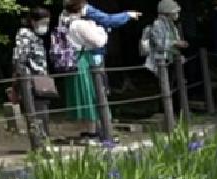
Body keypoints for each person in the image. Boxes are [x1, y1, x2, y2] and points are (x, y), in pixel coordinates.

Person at [56, 0, 142, 126]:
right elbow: (106, 24)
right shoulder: (80, 21)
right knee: (96, 92)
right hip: (88, 57)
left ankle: (92, 127)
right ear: (80, 7)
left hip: (72, 60)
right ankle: (102, 128)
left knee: (84, 94)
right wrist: (125, 17)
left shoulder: (63, 17)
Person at [12, 5, 55, 147]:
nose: (45, 26)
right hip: (31, 81)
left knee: (43, 112)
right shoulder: (24, 35)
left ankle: (44, 141)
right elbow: (19, 59)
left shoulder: (37, 37)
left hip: (42, 80)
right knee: (37, 113)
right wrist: (19, 82)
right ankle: (40, 143)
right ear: (32, 21)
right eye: (42, 23)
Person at [142, 0, 187, 89]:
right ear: (168, 13)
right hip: (162, 61)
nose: (177, 14)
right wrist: (175, 42)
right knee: (166, 88)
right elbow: (159, 44)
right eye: (175, 12)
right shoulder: (158, 24)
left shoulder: (172, 26)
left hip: (172, 60)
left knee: (175, 87)